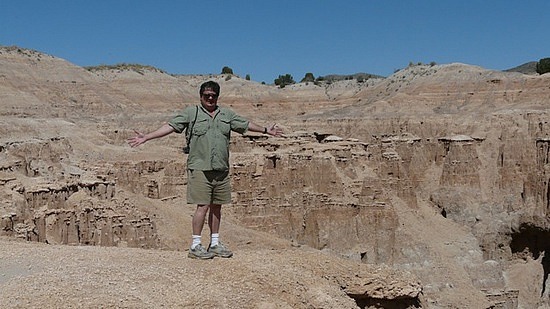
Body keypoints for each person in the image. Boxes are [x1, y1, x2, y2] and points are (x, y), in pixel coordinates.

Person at [128, 80, 283, 259]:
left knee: (217, 207)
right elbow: (170, 127)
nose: (210, 98)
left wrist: (266, 130)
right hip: (200, 168)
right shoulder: (191, 113)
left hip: (221, 168)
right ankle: (195, 245)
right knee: (202, 206)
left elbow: (245, 124)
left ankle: (215, 243)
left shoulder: (226, 114)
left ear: (217, 97)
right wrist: (147, 137)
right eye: (206, 95)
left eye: (213, 96)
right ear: (201, 96)